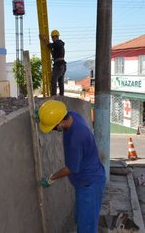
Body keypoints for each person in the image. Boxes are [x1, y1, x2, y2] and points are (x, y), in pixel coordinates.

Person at [38, 100, 106, 233]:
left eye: (53, 127)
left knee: (86, 227)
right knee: (81, 219)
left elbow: (70, 169)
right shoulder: (72, 116)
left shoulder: (76, 138)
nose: (53, 130)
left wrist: (51, 178)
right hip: (87, 180)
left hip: (89, 184)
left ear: (61, 123)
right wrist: (42, 118)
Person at [39, 30, 67, 96]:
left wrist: (43, 39)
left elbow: (49, 45)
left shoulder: (58, 43)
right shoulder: (58, 45)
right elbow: (52, 49)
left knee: (53, 81)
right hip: (62, 65)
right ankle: (61, 96)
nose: (53, 39)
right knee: (60, 82)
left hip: (59, 66)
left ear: (56, 37)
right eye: (52, 37)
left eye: (53, 37)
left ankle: (53, 96)